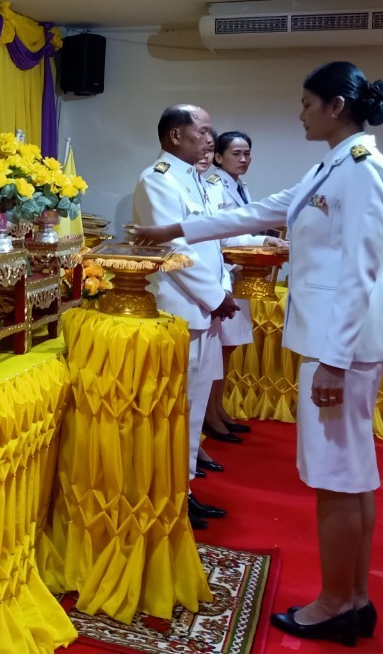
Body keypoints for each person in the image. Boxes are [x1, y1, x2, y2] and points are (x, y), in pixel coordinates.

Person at [131, 63, 383, 645]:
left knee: (337, 477)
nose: (300, 113)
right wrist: (173, 230)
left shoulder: (360, 169)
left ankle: (337, 603)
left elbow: (361, 270)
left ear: (336, 106)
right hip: (335, 341)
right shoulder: (333, 166)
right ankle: (352, 599)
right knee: (350, 475)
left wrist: (335, 359)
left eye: (306, 103)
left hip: (340, 345)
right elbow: (257, 212)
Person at [132, 105, 240, 530]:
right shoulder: (157, 179)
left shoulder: (196, 178)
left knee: (192, 410)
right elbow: (174, 252)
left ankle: (183, 489)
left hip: (203, 309)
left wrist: (222, 291)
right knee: (174, 408)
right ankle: (167, 493)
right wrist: (216, 297)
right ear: (175, 136)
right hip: (179, 308)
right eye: (203, 130)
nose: (210, 139)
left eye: (212, 131)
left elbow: (214, 237)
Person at [204, 131, 257, 441]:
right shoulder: (213, 186)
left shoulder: (241, 186)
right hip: (224, 273)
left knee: (229, 346)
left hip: (240, 272)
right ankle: (209, 414)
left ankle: (218, 407)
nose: (243, 159)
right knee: (218, 346)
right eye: (236, 153)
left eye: (247, 153)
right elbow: (219, 234)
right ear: (218, 157)